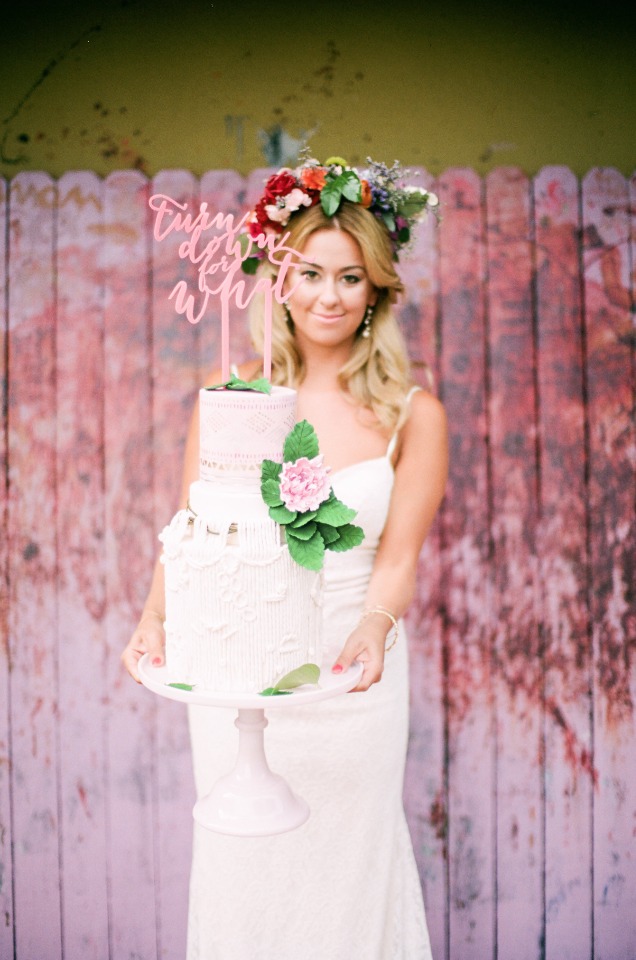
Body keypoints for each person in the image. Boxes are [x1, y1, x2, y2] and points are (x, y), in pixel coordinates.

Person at [122, 156, 448, 959]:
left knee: (346, 870)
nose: (328, 296)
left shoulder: (416, 414)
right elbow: (196, 526)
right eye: (311, 273)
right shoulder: (236, 396)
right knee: (249, 869)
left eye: (349, 277)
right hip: (244, 673)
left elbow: (399, 558)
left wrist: (375, 626)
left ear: (375, 289)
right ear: (281, 279)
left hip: (352, 679)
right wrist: (153, 615)